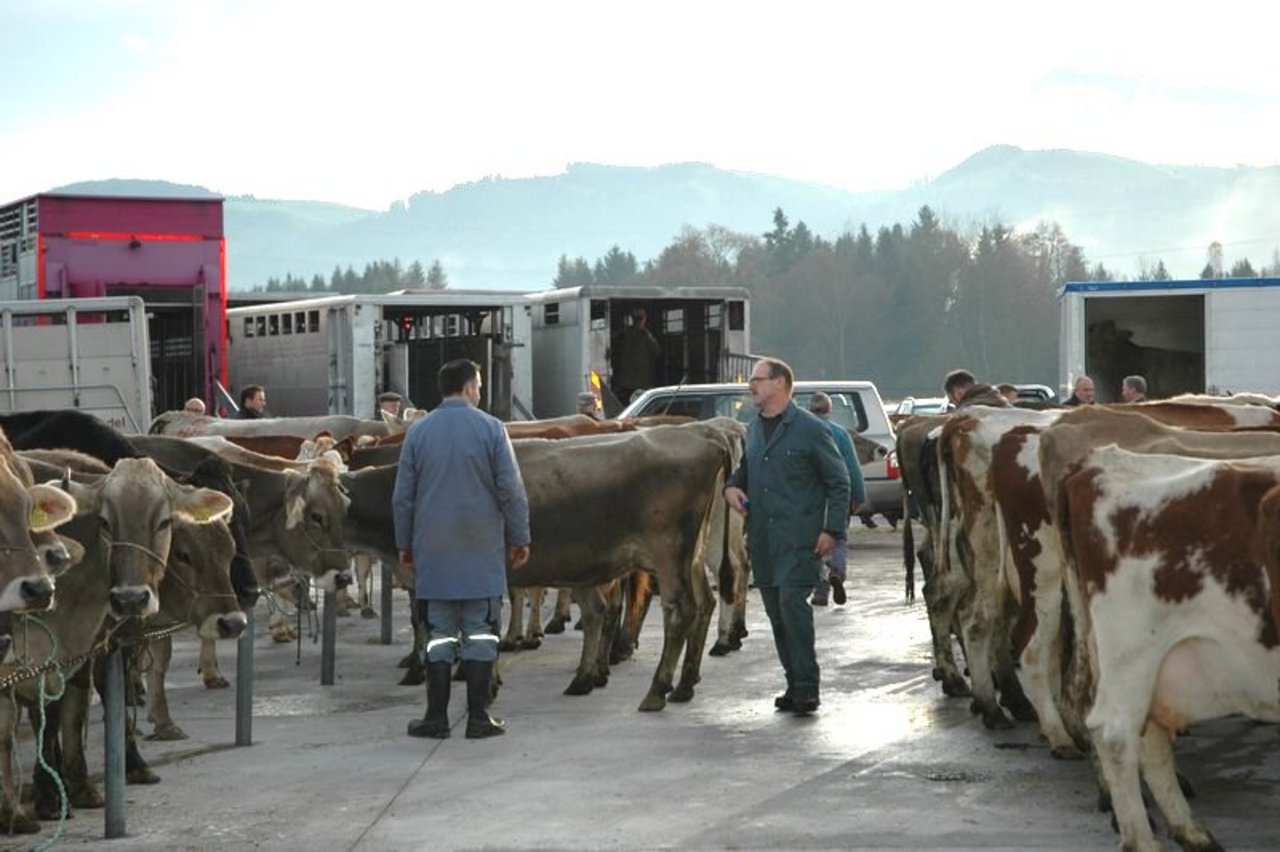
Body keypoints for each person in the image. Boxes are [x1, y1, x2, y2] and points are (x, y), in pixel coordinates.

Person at [393, 358, 531, 740]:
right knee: (481, 633)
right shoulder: (491, 429)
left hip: (434, 553)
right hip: (481, 550)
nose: (481, 391)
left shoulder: (418, 434)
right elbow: (511, 491)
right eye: (480, 385)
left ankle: (435, 718)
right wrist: (520, 538)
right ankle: (477, 717)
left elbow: (403, 499)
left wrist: (405, 544)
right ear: (470, 386)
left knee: (438, 634)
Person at [723, 358, 850, 715]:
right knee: (777, 615)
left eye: (757, 380)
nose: (751, 387)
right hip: (763, 539)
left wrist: (832, 530)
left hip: (800, 538)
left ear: (779, 383)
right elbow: (743, 473)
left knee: (793, 609)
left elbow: (839, 482)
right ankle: (794, 685)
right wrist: (731, 489)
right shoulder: (754, 429)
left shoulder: (810, 429)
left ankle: (808, 688)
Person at [807, 392, 866, 607]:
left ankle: (820, 589)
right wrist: (858, 496)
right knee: (838, 536)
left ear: (810, 410)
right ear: (829, 411)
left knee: (813, 542)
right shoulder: (840, 433)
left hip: (811, 498)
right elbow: (852, 468)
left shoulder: (802, 432)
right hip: (837, 496)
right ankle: (837, 572)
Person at [611, 308, 661, 406]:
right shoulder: (646, 335)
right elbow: (657, 351)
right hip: (642, 380)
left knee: (624, 404)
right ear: (644, 319)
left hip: (624, 379)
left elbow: (613, 350)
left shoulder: (623, 334)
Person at [942, 369, 1009, 409]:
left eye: (952, 398)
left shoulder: (968, 411)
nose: (953, 402)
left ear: (958, 391)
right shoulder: (1000, 400)